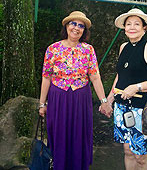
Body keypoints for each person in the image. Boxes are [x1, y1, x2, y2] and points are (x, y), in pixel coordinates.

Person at [39, 11, 112, 170]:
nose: (76, 28)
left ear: (84, 31)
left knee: (79, 133)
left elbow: (95, 77)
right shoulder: (53, 49)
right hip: (58, 96)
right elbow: (46, 77)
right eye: (73, 23)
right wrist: (42, 103)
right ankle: (58, 165)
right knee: (59, 132)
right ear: (66, 26)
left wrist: (104, 101)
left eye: (81, 26)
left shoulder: (88, 50)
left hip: (80, 97)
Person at [107, 8, 147, 170]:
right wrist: (109, 99)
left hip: (142, 110)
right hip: (122, 108)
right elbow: (120, 76)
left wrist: (137, 87)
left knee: (141, 155)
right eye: (128, 24)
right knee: (127, 151)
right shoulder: (123, 47)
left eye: (136, 24)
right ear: (124, 28)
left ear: (144, 28)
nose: (132, 27)